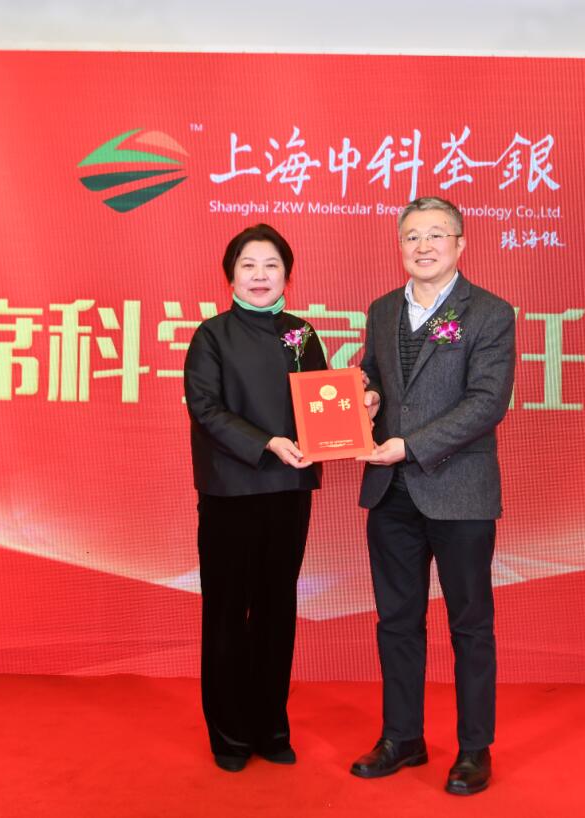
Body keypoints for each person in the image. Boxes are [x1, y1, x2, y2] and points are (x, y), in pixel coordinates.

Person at [351, 197, 516, 795]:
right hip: (390, 493)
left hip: (460, 493)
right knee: (396, 621)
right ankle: (402, 737)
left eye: (436, 235)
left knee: (470, 624)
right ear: (400, 246)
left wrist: (411, 445)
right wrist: (367, 394)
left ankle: (474, 748)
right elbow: (372, 372)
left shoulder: (490, 313)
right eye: (412, 236)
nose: (423, 246)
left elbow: (487, 402)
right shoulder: (382, 309)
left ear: (460, 243)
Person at [183, 223, 327, 772]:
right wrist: (266, 442)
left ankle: (270, 727)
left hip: (288, 490)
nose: (260, 275)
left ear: (287, 274)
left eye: (271, 265)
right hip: (231, 490)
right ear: (231, 276)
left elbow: (320, 404)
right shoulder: (211, 335)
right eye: (248, 265)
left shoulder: (302, 335)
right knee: (226, 611)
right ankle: (229, 735)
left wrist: (351, 410)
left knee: (276, 609)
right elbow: (206, 408)